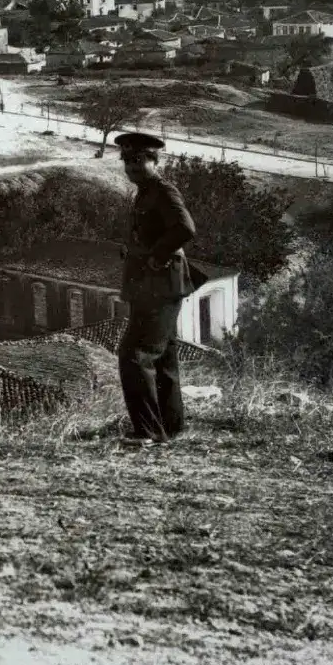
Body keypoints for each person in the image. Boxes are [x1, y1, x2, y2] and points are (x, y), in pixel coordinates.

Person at [115, 132, 204, 446]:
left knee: (134, 355)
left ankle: (148, 433)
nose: (132, 167)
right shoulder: (145, 191)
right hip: (152, 286)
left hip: (160, 284)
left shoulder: (163, 190)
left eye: (139, 161)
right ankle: (171, 426)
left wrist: (156, 256)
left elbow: (185, 228)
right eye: (127, 161)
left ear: (155, 161)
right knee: (163, 356)